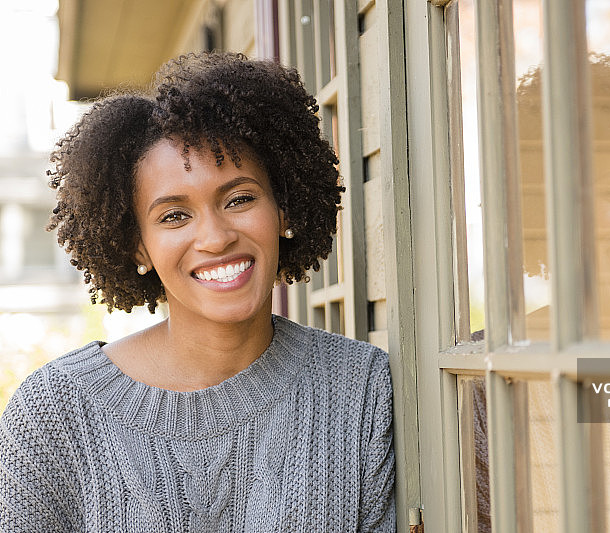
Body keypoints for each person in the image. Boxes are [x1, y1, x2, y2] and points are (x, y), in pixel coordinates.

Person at [0, 52, 395, 532]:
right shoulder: (57, 413)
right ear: (137, 245)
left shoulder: (359, 390)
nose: (215, 237)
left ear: (284, 210)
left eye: (240, 199)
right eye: (174, 215)